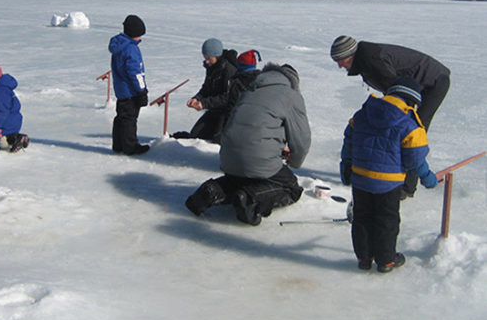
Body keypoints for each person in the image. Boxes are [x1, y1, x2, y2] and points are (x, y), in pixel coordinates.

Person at [185, 63, 311, 225]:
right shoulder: (290, 96)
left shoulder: (249, 92)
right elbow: (302, 139)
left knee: (240, 180)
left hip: (229, 156)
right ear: (293, 82)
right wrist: (295, 160)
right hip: (257, 159)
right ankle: (250, 199)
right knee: (292, 188)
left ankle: (212, 190)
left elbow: (249, 129)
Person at [330, 35, 450, 198]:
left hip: (433, 83)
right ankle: (393, 173)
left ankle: (406, 187)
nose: (339, 65)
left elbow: (397, 90)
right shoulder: (365, 60)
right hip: (416, 86)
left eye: (340, 60)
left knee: (412, 130)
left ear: (350, 55)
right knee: (394, 129)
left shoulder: (372, 61)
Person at [340, 77, 439, 273]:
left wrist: (346, 167)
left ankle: (364, 259)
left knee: (362, 218)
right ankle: (386, 260)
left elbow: (348, 142)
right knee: (387, 221)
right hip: (389, 183)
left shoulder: (362, 114)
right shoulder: (409, 123)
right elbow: (415, 159)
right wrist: (427, 177)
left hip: (361, 179)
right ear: (411, 102)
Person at [171, 38, 237, 143]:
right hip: (213, 109)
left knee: (218, 140)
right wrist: (197, 98)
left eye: (209, 58)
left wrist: (204, 103)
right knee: (195, 136)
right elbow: (206, 88)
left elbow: (227, 97)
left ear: (217, 55)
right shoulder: (211, 67)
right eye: (205, 58)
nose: (206, 61)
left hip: (227, 112)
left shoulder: (229, 70)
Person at [109, 14, 149, 155]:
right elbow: (135, 72)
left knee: (121, 117)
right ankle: (130, 147)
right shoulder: (131, 49)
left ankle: (118, 145)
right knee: (129, 120)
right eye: (139, 35)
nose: (140, 39)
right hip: (131, 92)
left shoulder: (119, 45)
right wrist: (142, 90)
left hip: (121, 91)